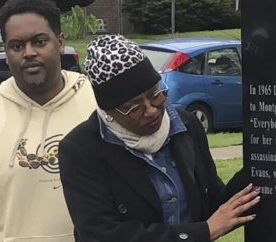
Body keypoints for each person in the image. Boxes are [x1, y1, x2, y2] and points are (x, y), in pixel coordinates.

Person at [59, 34, 258, 241]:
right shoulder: (80, 150)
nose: (151, 110)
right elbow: (102, 234)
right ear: (109, 111)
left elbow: (212, 203)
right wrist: (200, 233)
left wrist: (262, 167)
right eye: (134, 107)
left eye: (156, 94)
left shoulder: (187, 126)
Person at [0, 0, 97, 242]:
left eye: (39, 42)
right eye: (16, 46)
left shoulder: (98, 105)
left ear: (60, 43)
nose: (29, 53)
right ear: (6, 54)